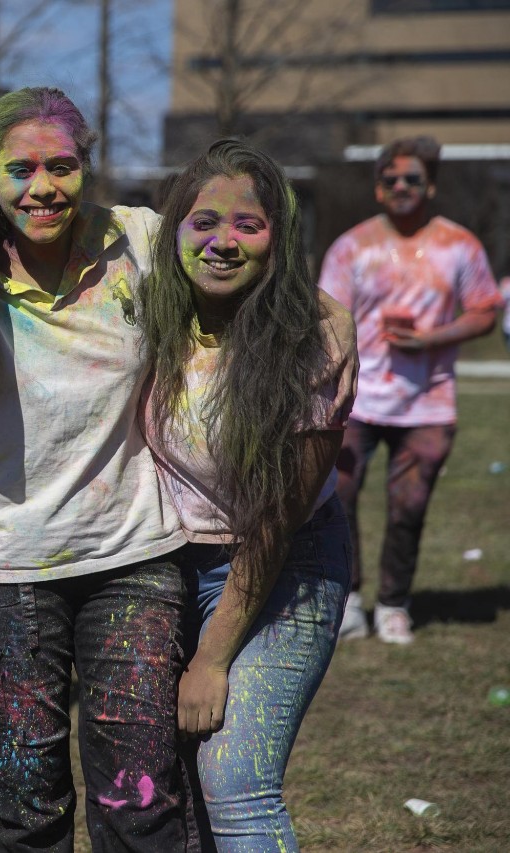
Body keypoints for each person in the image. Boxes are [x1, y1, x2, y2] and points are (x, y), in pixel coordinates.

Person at [0, 87, 192, 851]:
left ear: (88, 165)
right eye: (20, 170)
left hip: (133, 556)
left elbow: (240, 268)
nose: (43, 188)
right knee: (27, 807)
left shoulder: (138, 240)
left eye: (62, 166)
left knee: (140, 799)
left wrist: (331, 317)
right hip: (9, 565)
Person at [139, 139, 358, 851]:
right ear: (173, 230)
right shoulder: (152, 313)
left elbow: (277, 523)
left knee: (235, 780)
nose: (223, 242)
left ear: (277, 238)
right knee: (175, 784)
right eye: (204, 221)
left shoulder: (310, 344)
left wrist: (212, 659)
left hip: (286, 565)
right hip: (169, 564)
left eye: (248, 225)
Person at [318, 136, 502, 644]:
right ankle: (348, 600)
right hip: (356, 397)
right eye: (391, 179)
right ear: (378, 188)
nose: (401, 186)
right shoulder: (352, 246)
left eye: (412, 179)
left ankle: (394, 604)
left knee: (409, 508)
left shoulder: (459, 245)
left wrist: (431, 339)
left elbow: (485, 310)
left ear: (431, 186)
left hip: (428, 403)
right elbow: (327, 317)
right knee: (337, 499)